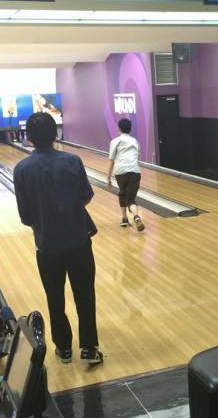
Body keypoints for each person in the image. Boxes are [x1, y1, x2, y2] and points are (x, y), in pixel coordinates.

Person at [13, 112, 103, 365]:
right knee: (85, 295)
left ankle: (63, 349)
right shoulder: (72, 161)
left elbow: (25, 216)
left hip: (47, 247)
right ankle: (89, 349)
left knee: (55, 298)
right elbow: (86, 196)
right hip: (79, 243)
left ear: (29, 137)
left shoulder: (22, 169)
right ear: (56, 134)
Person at [106, 118, 145, 231]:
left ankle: (124, 218)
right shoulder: (135, 141)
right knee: (131, 198)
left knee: (122, 193)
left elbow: (111, 161)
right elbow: (137, 157)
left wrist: (108, 178)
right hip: (134, 171)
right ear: (130, 129)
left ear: (119, 128)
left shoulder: (114, 141)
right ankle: (136, 216)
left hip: (120, 172)